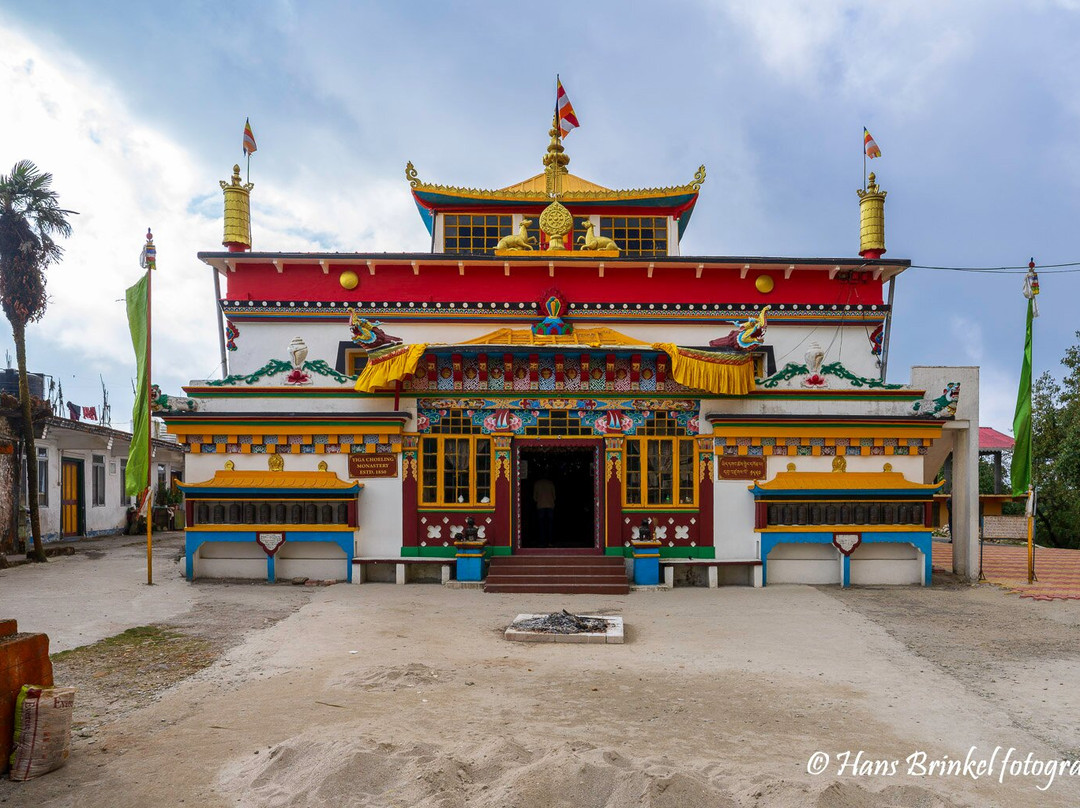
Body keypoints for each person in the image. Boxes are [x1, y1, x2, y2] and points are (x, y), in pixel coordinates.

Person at [532, 475, 556, 545]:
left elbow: (534, 498)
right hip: (550, 506)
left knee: (541, 525)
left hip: (540, 506)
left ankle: (542, 541)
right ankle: (550, 541)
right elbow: (554, 497)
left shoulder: (537, 484)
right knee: (550, 524)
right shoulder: (550, 483)